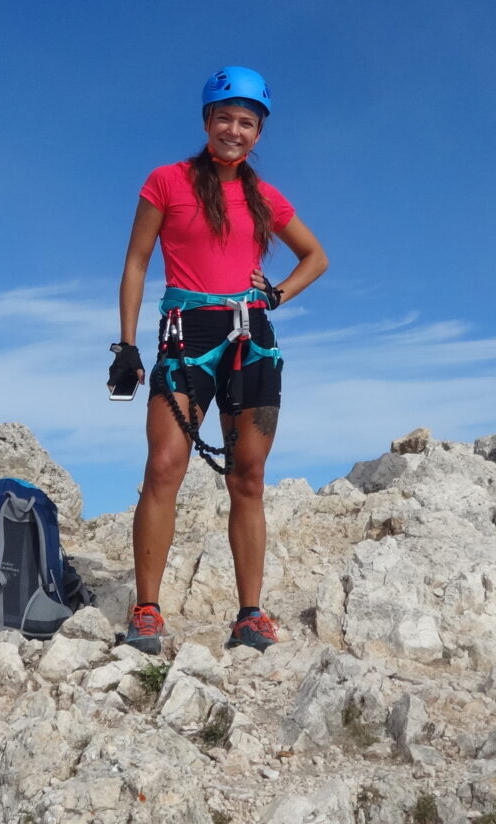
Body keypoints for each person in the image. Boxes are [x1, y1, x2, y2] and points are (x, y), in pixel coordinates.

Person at [107, 66, 328, 654]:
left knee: (248, 477)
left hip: (251, 335)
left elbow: (316, 257)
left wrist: (275, 292)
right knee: (163, 466)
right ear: (207, 121)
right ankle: (148, 610)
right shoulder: (167, 181)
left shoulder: (264, 197)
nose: (235, 130)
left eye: (247, 122)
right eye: (225, 117)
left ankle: (249, 615)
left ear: (259, 133)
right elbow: (136, 262)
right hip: (187, 331)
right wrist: (126, 344)